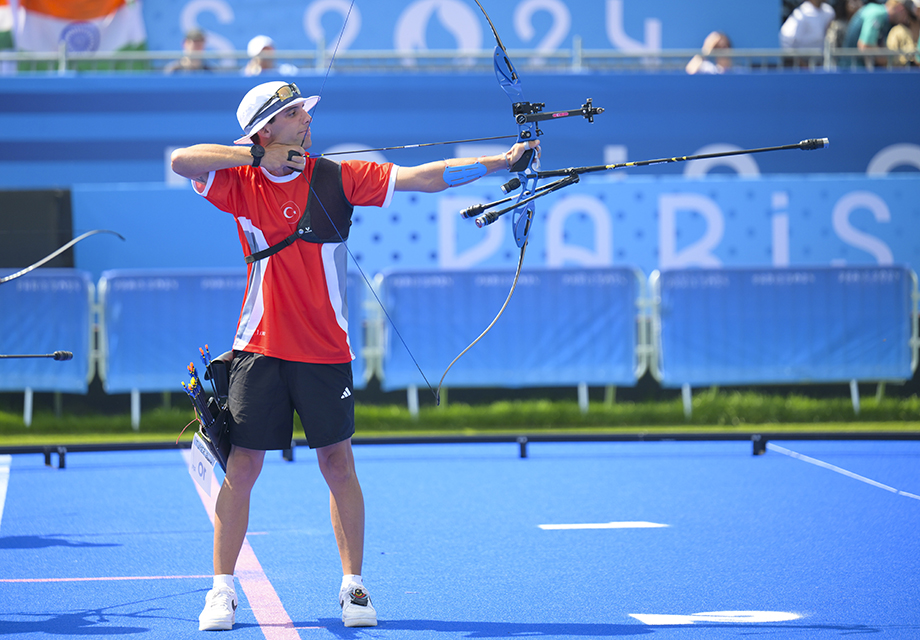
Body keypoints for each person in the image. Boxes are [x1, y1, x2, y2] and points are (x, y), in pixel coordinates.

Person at [170, 81, 540, 631]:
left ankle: (354, 588)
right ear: (266, 129)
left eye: (304, 111)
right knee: (242, 466)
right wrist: (256, 154)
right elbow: (181, 160)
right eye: (294, 113)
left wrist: (501, 161)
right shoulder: (238, 180)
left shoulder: (337, 177)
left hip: (325, 350)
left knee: (338, 464)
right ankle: (221, 590)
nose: (306, 120)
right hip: (258, 348)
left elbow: (425, 177)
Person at [842, 0, 916, 67]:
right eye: (907, 14)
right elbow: (865, 47)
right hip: (851, 70)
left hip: (859, 71)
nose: (906, 19)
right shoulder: (877, 13)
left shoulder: (886, 21)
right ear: (900, 8)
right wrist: (894, 60)